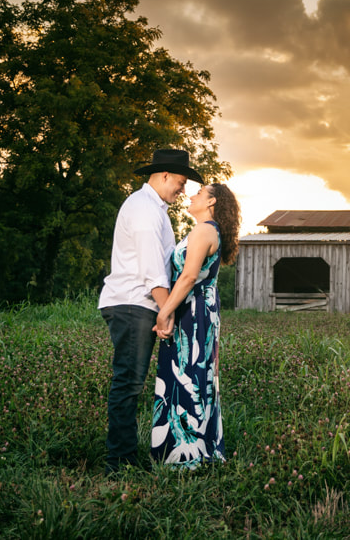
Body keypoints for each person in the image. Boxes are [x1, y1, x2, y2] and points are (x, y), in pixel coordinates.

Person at [98, 148, 203, 476]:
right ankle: (119, 462)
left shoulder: (156, 210)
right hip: (133, 304)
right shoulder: (143, 208)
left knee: (131, 382)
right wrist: (165, 311)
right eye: (181, 183)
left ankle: (126, 456)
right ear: (165, 175)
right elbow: (150, 269)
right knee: (128, 383)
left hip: (140, 304)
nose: (182, 190)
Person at [150, 182, 240, 468]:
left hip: (193, 312)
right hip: (199, 310)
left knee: (188, 374)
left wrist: (164, 312)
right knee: (194, 375)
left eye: (199, 193)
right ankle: (197, 451)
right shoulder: (207, 230)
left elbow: (188, 277)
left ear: (212, 203)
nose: (191, 195)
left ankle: (188, 455)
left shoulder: (204, 230)